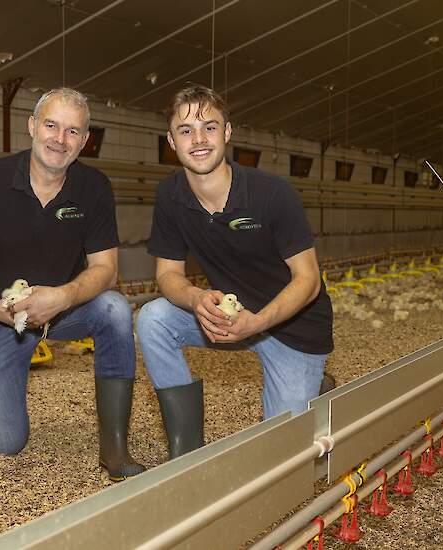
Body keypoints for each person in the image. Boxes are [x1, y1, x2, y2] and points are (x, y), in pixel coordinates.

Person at [0, 87, 144, 481]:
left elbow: (106, 269)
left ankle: (114, 446)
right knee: (6, 443)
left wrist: (63, 297)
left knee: (115, 308)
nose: (59, 139)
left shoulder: (94, 188)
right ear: (32, 126)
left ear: (84, 140)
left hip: (61, 309)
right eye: (51, 125)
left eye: (72, 131)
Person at [136, 85, 334, 459]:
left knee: (281, 456)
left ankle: (315, 385)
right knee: (152, 319)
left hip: (292, 328)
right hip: (231, 315)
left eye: (209, 128)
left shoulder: (271, 193)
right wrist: (195, 298)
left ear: (227, 133)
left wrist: (257, 322)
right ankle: (187, 452)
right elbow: (167, 274)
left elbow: (308, 281)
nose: (198, 140)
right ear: (171, 141)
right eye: (186, 130)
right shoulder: (170, 196)